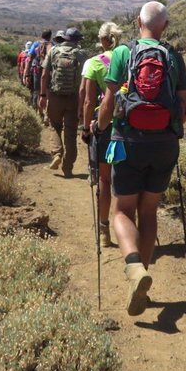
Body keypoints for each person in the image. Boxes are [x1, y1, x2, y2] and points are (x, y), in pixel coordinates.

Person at [96, 1, 186, 316]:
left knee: (122, 211)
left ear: (138, 22)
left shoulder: (123, 53)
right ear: (165, 25)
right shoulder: (174, 57)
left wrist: (100, 127)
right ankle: (142, 283)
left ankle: (135, 270)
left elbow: (108, 102)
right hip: (164, 145)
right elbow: (184, 110)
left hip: (128, 143)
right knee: (149, 213)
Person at [79, 21, 123, 247]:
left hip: (104, 127)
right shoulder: (129, 58)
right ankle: (129, 230)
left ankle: (104, 232)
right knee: (126, 179)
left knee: (105, 180)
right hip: (129, 126)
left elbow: (87, 100)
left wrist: (86, 128)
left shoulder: (94, 63)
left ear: (103, 40)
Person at [40, 27, 84, 176]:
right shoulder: (82, 55)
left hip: (55, 96)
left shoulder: (54, 51)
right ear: (77, 41)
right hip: (74, 97)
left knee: (54, 125)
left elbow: (44, 74)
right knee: (71, 133)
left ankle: (57, 154)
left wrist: (42, 95)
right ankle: (68, 168)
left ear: (65, 38)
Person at [27, 30, 51, 113]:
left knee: (37, 92)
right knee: (47, 92)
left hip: (37, 71)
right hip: (48, 71)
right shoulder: (52, 45)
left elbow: (29, 58)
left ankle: (39, 113)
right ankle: (46, 114)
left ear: (42, 35)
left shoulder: (36, 44)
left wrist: (27, 74)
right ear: (50, 36)